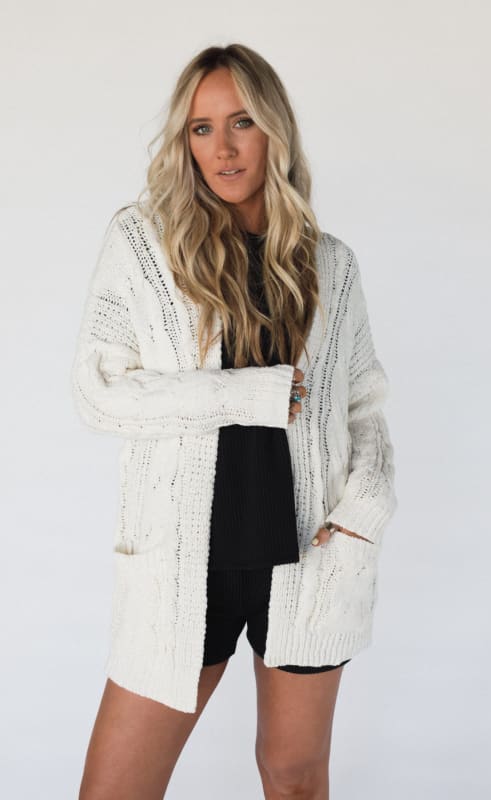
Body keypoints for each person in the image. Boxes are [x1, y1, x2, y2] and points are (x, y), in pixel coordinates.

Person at [73, 43, 397, 800]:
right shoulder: (143, 243)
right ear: (184, 142)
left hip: (311, 560)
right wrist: (247, 396)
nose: (222, 147)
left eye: (241, 122)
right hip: (184, 566)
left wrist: (363, 511)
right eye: (201, 128)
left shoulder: (331, 263)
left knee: (295, 779)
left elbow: (364, 404)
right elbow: (98, 392)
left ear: (273, 129)